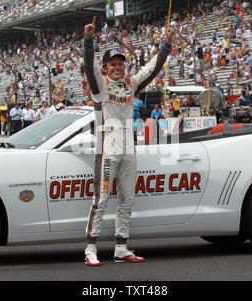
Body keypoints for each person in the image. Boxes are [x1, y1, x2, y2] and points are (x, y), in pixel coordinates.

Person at [83, 16, 174, 266]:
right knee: (100, 201)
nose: (117, 68)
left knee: (127, 200)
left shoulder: (131, 85)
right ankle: (91, 248)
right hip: (107, 151)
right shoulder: (99, 86)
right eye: (112, 64)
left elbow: (152, 69)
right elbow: (89, 67)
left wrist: (166, 44)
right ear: (105, 68)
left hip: (128, 151)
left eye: (120, 64)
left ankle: (121, 247)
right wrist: (88, 41)